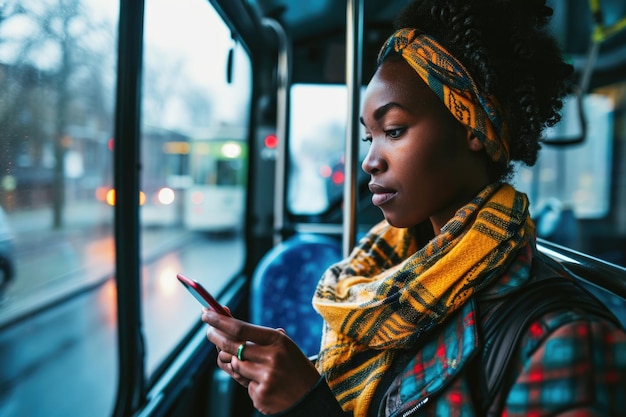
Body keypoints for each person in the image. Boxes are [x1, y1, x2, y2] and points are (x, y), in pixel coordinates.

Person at [202, 0, 626, 415]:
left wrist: (308, 404)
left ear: (472, 127)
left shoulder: (565, 340)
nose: (370, 161)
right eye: (371, 138)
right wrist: (291, 381)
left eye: (394, 130)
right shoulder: (388, 279)